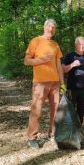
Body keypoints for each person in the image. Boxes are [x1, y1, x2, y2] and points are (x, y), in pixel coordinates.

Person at [23, 18, 64, 148]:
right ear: (44, 27)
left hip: (55, 83)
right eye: (49, 26)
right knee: (37, 110)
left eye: (53, 27)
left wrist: (62, 83)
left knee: (56, 110)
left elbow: (58, 65)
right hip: (40, 82)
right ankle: (32, 137)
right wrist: (41, 60)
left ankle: (52, 134)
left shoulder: (55, 45)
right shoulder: (36, 41)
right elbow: (27, 61)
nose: (51, 29)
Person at [62, 36, 84, 127]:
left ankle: (78, 129)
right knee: (70, 111)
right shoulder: (70, 56)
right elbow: (62, 70)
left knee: (81, 111)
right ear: (76, 45)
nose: (82, 46)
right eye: (80, 44)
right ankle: (69, 130)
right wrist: (72, 65)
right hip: (72, 88)